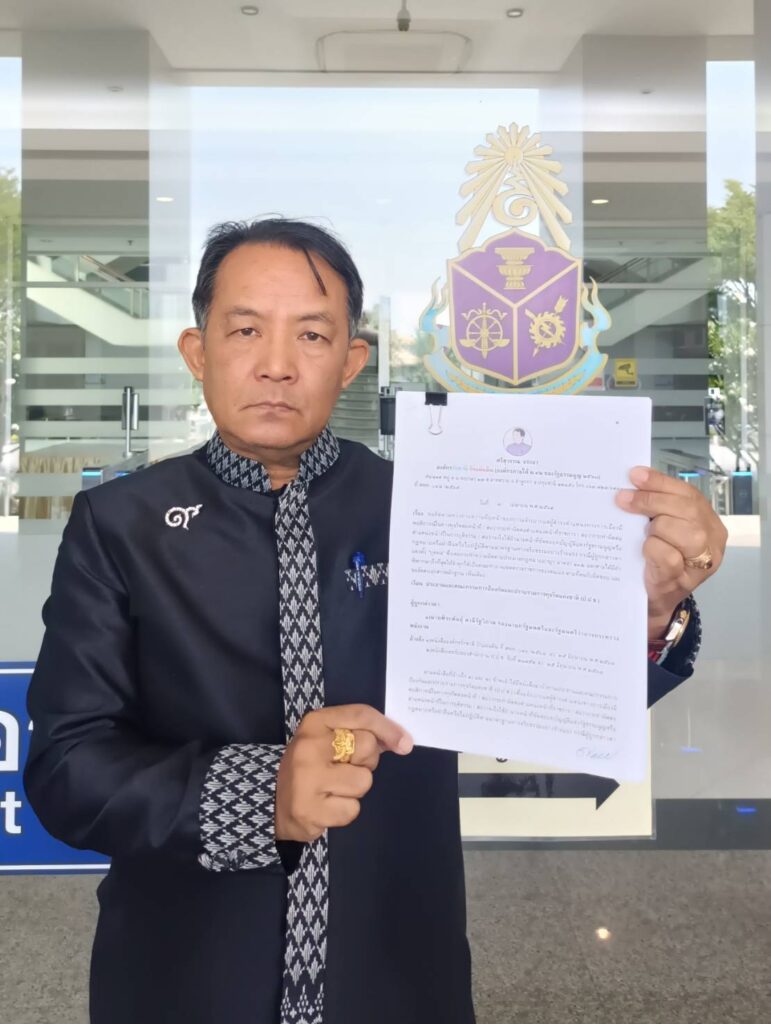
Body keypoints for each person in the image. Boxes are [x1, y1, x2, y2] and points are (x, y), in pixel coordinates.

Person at [24, 218, 727, 1024]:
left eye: (312, 334)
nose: (277, 364)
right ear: (197, 351)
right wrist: (262, 795)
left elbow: (533, 695)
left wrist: (646, 611)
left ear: (351, 361)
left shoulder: (431, 503)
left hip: (399, 966)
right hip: (184, 975)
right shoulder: (121, 524)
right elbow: (68, 768)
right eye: (245, 330)